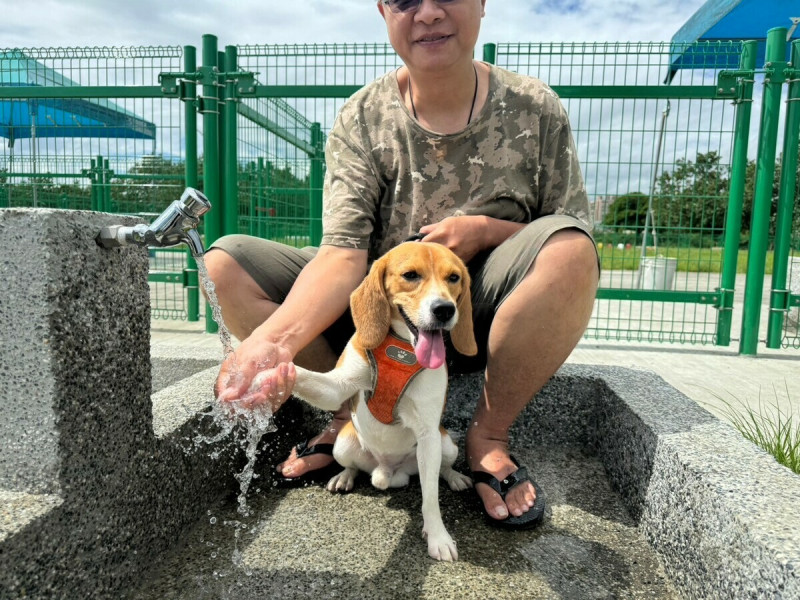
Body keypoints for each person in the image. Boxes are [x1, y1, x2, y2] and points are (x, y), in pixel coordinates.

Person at [206, 0, 598, 528]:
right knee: (225, 265)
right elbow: (342, 254)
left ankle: (487, 437)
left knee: (572, 250)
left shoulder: (534, 108)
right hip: (379, 314)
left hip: (477, 308)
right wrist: (272, 343)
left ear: (482, 4)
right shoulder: (363, 117)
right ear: (383, 11)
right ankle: (347, 417)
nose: (429, 14)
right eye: (406, 0)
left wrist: (487, 231)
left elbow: (571, 230)